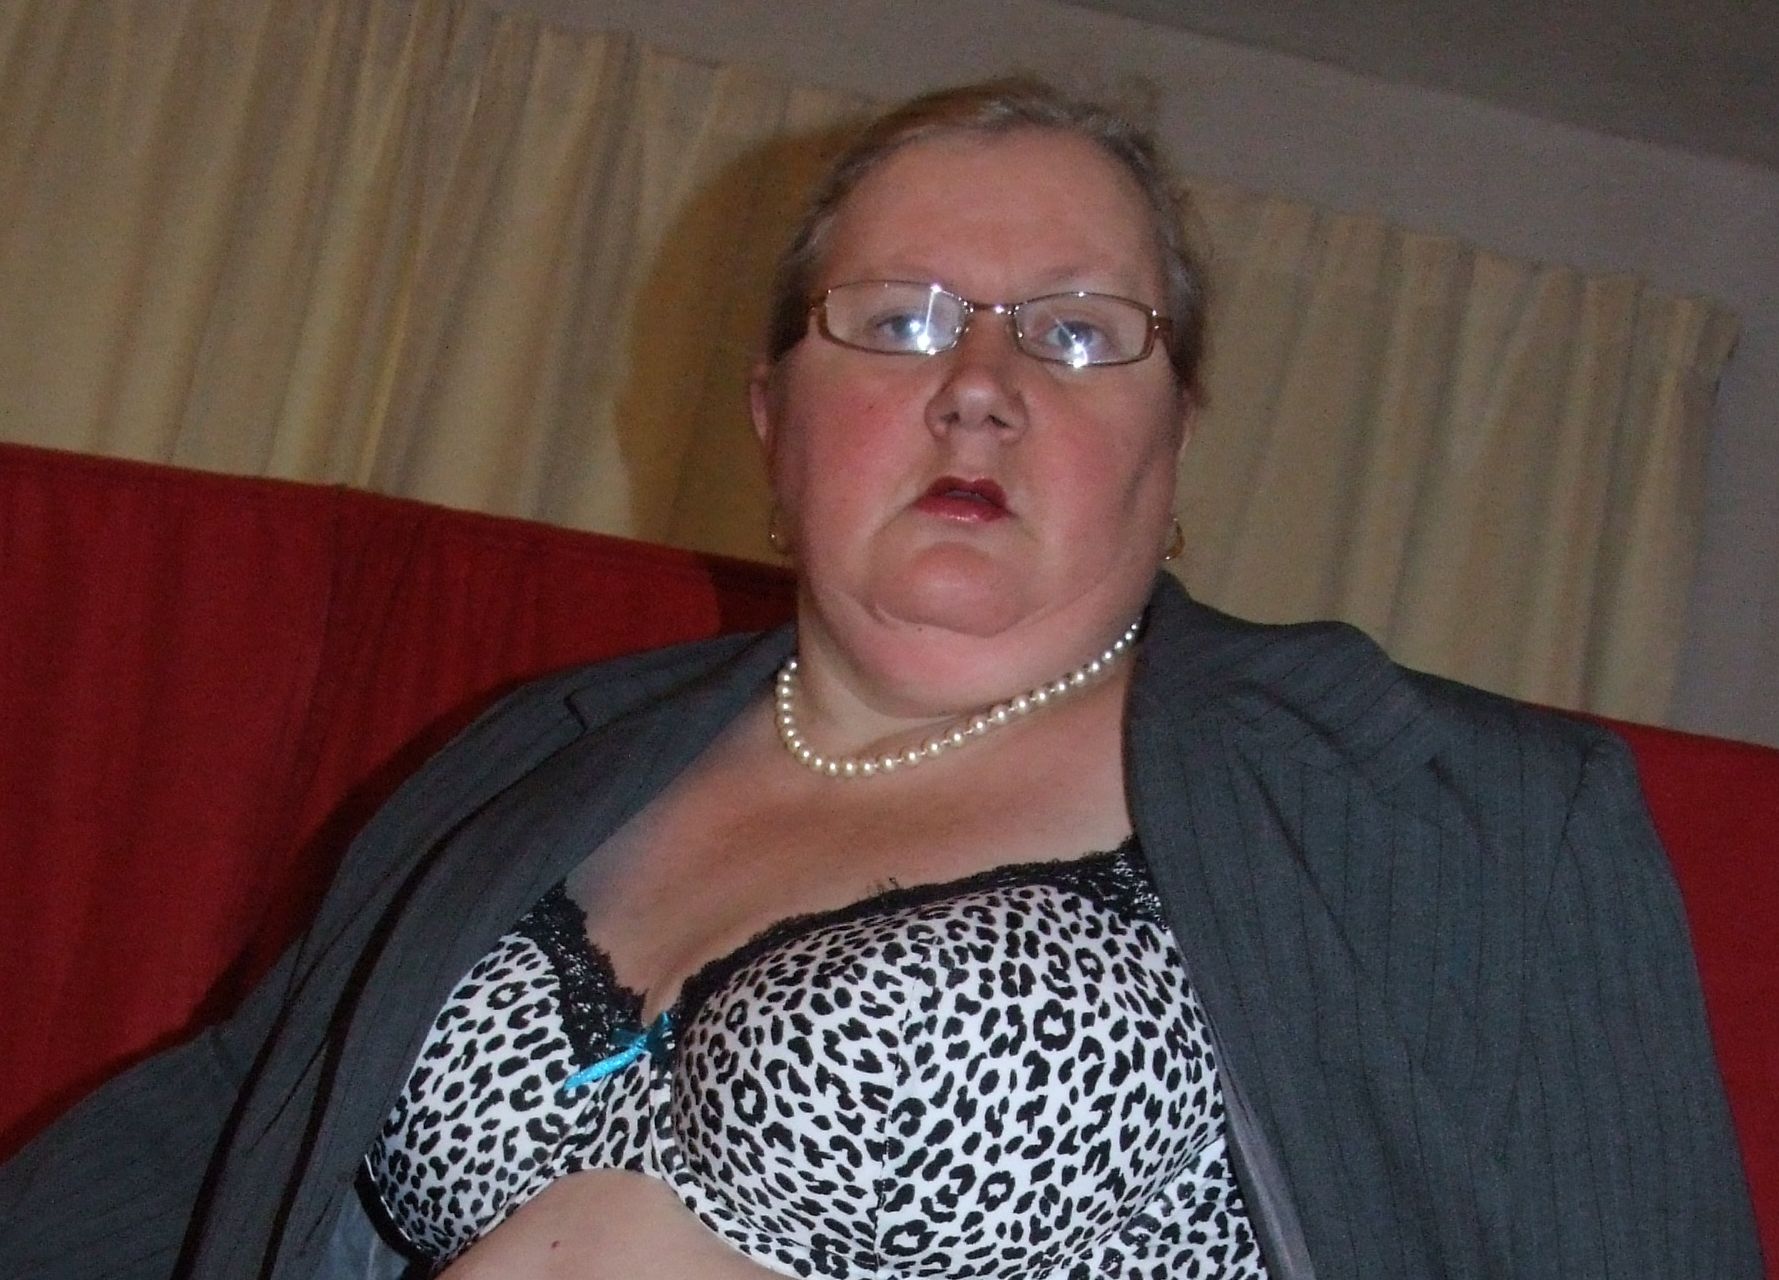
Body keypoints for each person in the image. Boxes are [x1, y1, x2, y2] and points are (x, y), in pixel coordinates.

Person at [0, 80, 1761, 1280]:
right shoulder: (529, 758)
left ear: (1176, 440)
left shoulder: (1438, 801)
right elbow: (198, 1149)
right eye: (899, 319)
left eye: (1079, 332)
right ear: (773, 422)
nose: (981, 383)